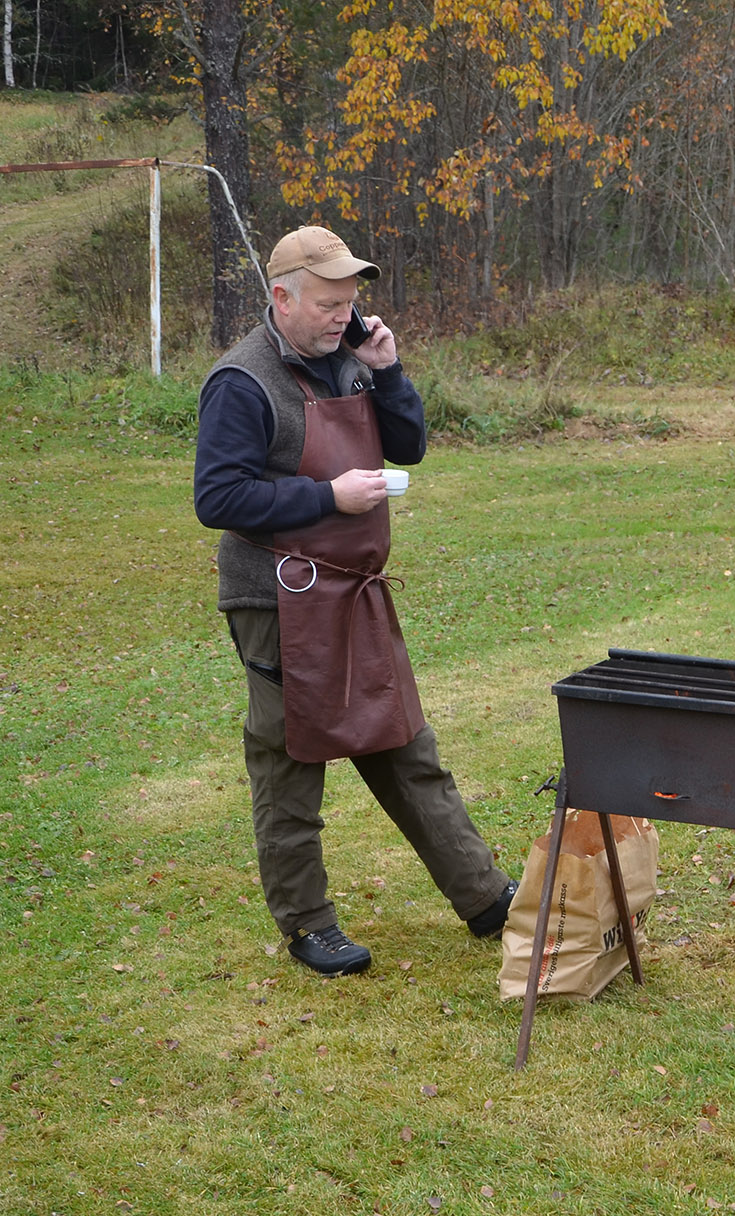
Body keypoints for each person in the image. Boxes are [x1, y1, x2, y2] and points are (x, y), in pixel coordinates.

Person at [193, 225, 517, 977]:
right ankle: (309, 924)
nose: (345, 316)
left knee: (403, 742)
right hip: (277, 597)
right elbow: (218, 495)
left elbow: (408, 446)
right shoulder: (240, 382)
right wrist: (326, 497)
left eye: (351, 302)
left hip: (355, 591)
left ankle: (485, 896)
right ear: (282, 296)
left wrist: (389, 372)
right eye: (330, 303)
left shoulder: (351, 360)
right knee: (290, 760)